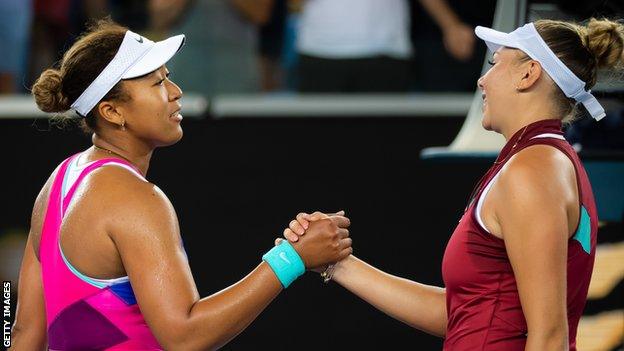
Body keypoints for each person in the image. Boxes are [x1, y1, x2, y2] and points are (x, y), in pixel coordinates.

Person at [12, 19, 352, 350]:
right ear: (113, 112)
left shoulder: (58, 181)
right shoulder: (135, 199)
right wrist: (291, 258)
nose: (176, 93)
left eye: (168, 78)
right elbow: (185, 336)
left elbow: (24, 332)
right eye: (156, 84)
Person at [284, 18, 623, 350]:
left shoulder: (533, 170)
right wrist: (339, 263)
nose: (482, 80)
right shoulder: (534, 161)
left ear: (528, 73)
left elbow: (550, 338)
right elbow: (467, 315)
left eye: (494, 63)